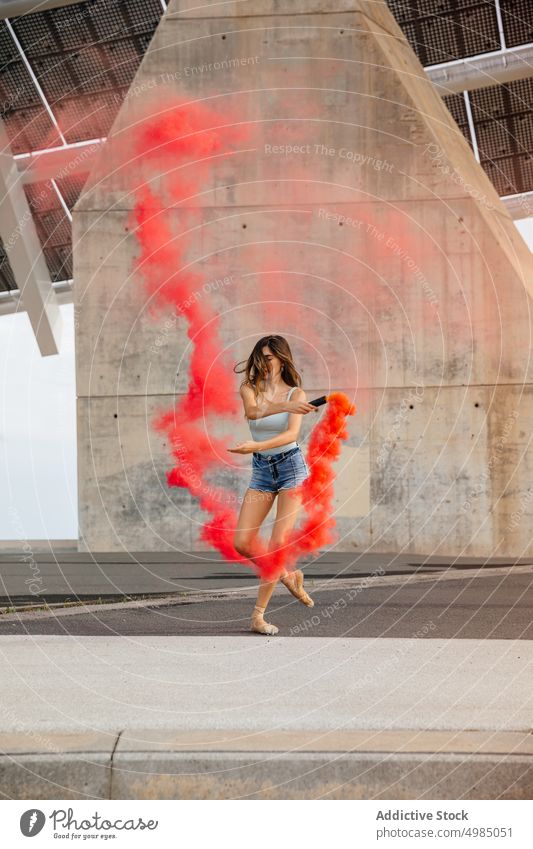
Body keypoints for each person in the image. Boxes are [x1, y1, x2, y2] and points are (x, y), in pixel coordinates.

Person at [228, 335, 319, 635]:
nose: (263, 363)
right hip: (262, 471)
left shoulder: (297, 393)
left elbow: (290, 437)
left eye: (269, 358)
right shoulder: (249, 388)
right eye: (260, 357)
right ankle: (287, 575)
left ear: (281, 358)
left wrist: (257, 442)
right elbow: (253, 412)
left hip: (291, 468)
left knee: (276, 544)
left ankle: (258, 616)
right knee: (242, 542)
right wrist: (285, 408)